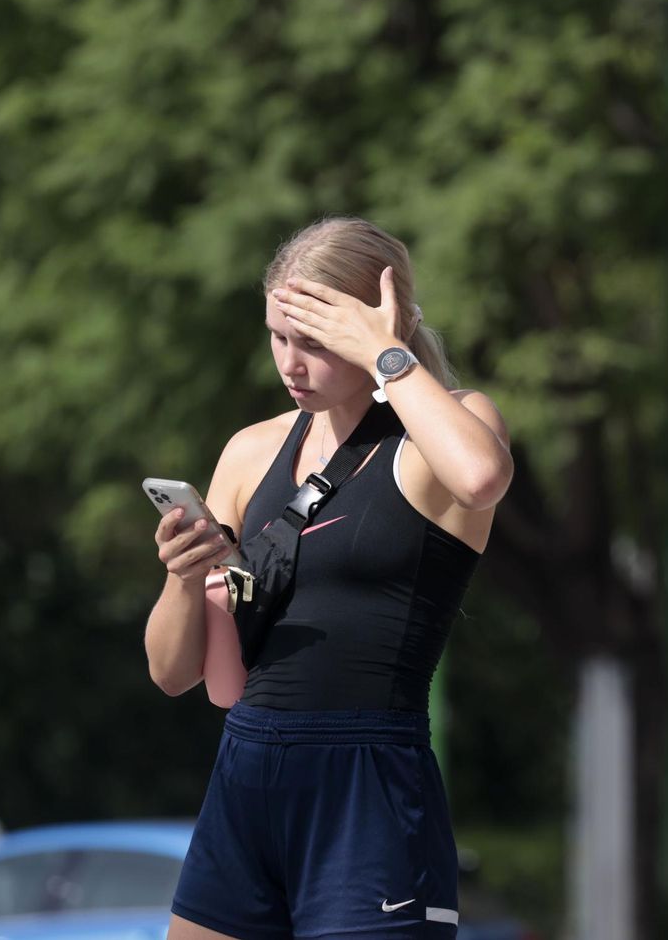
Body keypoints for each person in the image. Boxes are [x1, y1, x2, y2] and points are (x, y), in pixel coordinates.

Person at [143, 216, 513, 940]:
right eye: (280, 336)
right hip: (246, 774)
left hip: (366, 785)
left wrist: (387, 354)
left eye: (315, 339)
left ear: (383, 319)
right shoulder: (252, 451)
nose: (291, 362)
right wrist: (183, 577)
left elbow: (480, 477)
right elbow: (169, 672)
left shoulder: (451, 428)